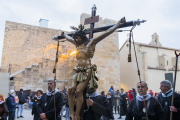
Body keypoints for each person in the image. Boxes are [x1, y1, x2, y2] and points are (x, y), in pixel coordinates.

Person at [61, 17, 126, 120]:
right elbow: (69, 39)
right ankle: (72, 114)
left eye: (78, 38)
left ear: (83, 36)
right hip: (77, 69)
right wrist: (64, 35)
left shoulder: (91, 42)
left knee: (78, 91)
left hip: (87, 69)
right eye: (76, 38)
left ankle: (77, 115)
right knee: (70, 89)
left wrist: (117, 25)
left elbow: (106, 33)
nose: (77, 40)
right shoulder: (77, 45)